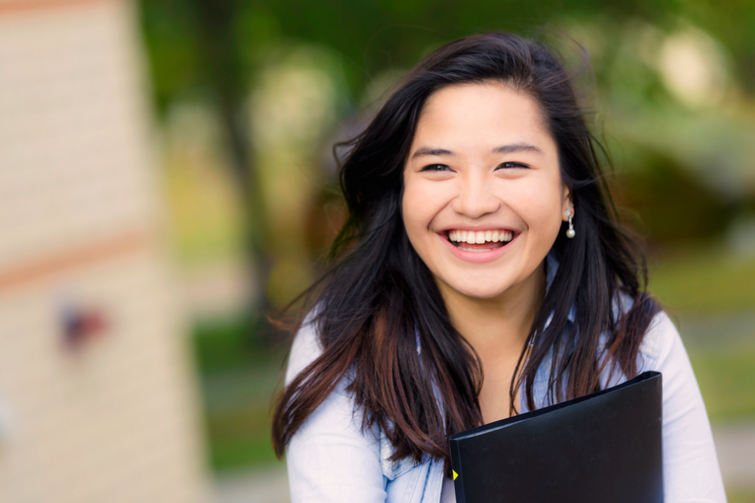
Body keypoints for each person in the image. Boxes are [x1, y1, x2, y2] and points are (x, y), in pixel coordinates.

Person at [271, 32, 726, 503]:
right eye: (438, 168)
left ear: (566, 191)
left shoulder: (635, 343)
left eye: (510, 164)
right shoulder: (343, 349)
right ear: (402, 190)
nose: (474, 203)